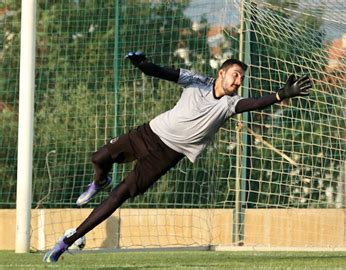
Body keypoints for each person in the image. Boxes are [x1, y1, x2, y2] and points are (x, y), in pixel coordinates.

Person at [43, 52, 312, 262]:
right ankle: (100, 181)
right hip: (148, 134)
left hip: (167, 156)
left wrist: (281, 95)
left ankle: (68, 240)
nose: (238, 81)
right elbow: (161, 72)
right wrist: (141, 64)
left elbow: (254, 103)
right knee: (98, 158)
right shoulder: (195, 81)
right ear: (221, 73)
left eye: (241, 78)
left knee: (120, 195)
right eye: (235, 75)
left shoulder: (230, 104)